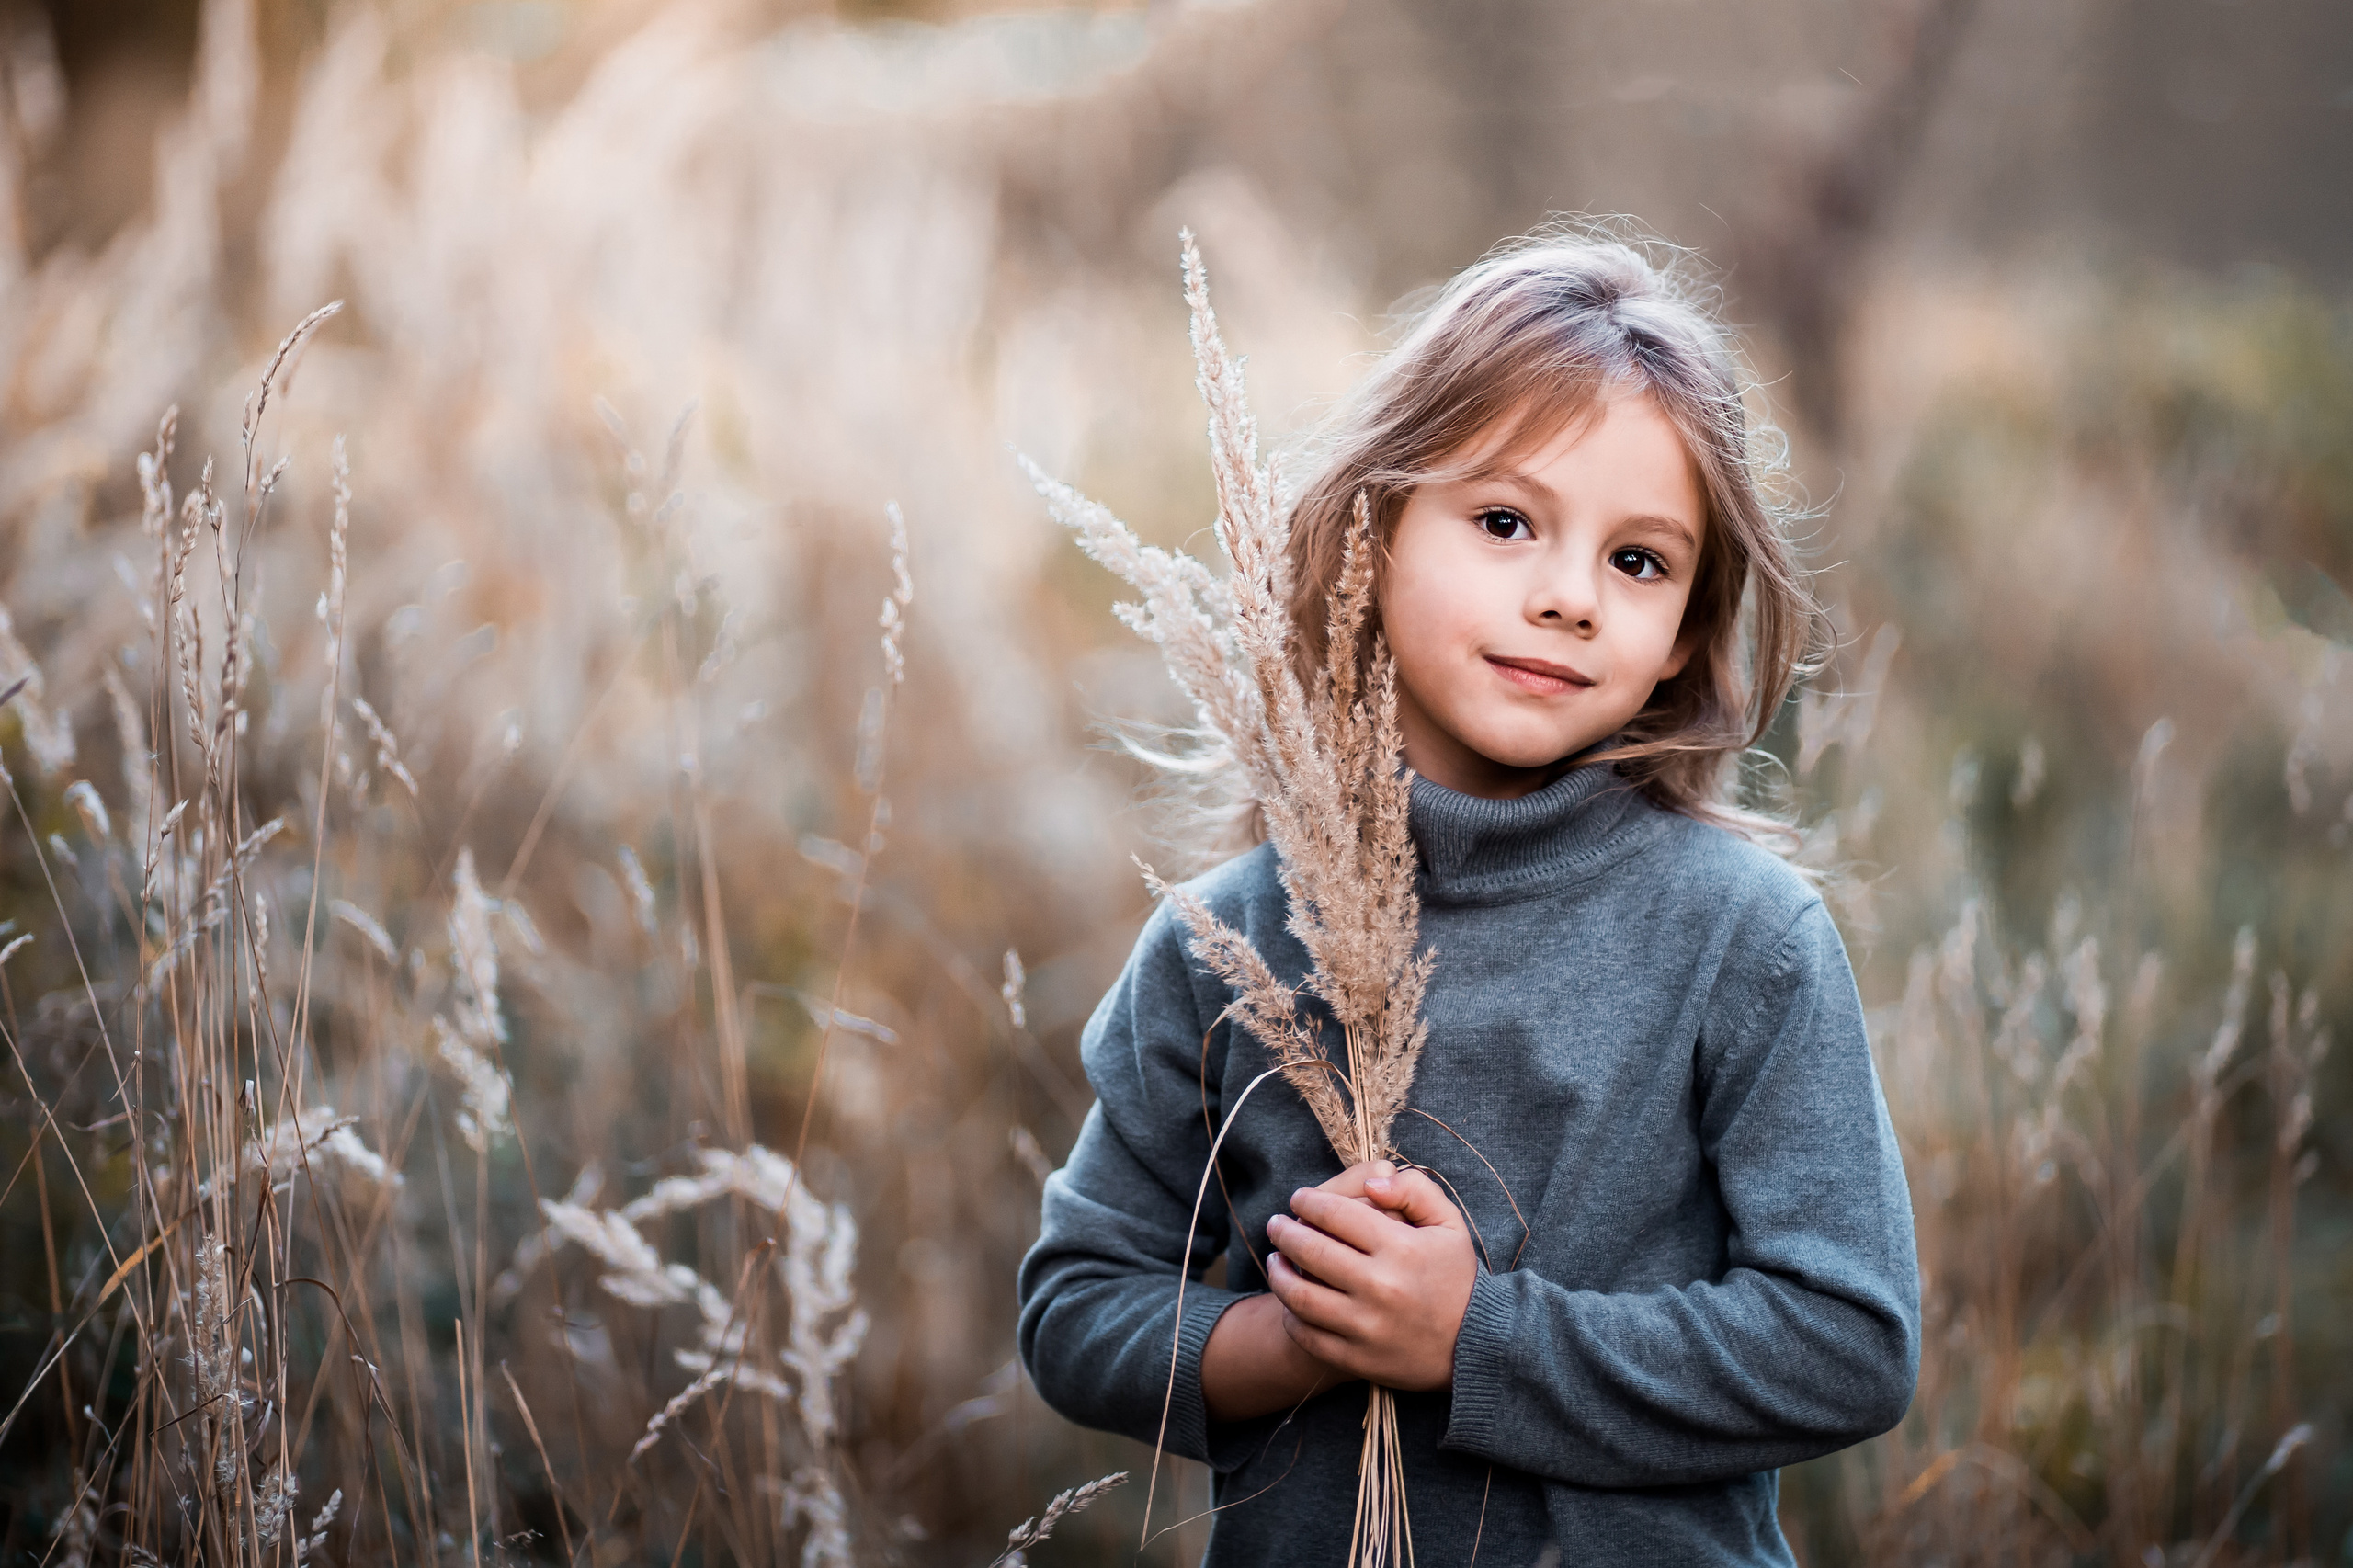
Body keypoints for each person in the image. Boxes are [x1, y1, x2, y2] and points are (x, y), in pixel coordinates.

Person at [1017, 230, 1920, 1564]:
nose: (1566, 597)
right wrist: (1281, 1346)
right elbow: (1076, 1304)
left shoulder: (1740, 936)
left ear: (1686, 625)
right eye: (1505, 522)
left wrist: (1477, 1339)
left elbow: (1849, 1342)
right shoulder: (1229, 943)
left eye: (1639, 561)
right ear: (1373, 533)